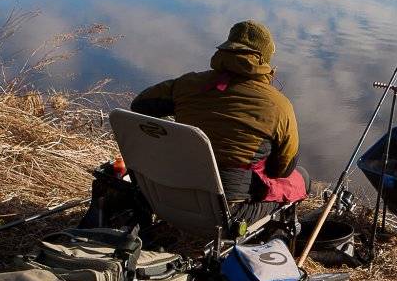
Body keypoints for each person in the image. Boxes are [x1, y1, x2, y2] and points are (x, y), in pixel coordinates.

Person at [130, 20, 308, 223]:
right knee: (302, 178)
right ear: (264, 60)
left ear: (226, 49)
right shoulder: (279, 105)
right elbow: (281, 170)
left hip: (170, 195)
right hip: (228, 214)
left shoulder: (187, 85)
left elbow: (140, 106)